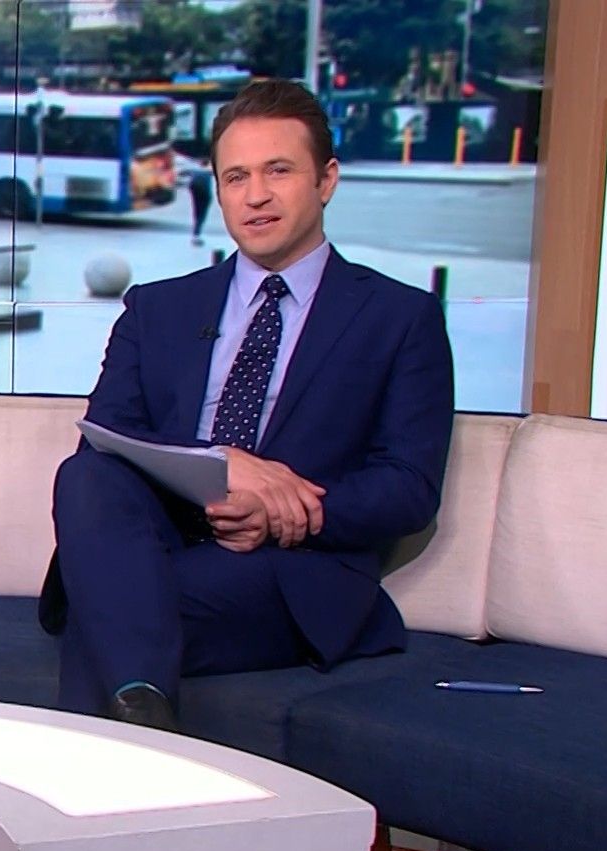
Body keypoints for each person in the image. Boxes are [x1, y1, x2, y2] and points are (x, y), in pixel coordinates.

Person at [39, 80, 455, 732]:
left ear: (326, 179)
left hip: (287, 570)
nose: (255, 195)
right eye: (236, 177)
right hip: (160, 541)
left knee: (109, 609)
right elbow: (107, 439)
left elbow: (408, 488)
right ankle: (143, 719)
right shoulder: (158, 307)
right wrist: (223, 463)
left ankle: (131, 716)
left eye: (277, 171)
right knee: (85, 473)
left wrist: (280, 514)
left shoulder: (401, 318)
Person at [186, 155, 214, 246]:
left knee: (197, 212)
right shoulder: (209, 170)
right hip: (204, 192)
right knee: (201, 213)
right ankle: (196, 234)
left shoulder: (194, 169)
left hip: (195, 189)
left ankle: (195, 234)